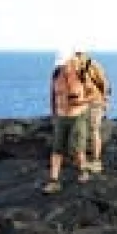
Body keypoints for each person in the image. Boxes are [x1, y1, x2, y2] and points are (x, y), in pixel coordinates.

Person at [44, 49, 94, 194]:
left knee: (77, 148)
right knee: (57, 149)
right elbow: (52, 96)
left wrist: (81, 100)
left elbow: (94, 95)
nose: (63, 66)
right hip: (61, 116)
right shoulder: (55, 75)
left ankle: (83, 170)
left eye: (65, 63)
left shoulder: (82, 75)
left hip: (77, 115)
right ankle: (54, 181)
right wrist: (54, 114)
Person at [77, 51, 110, 172]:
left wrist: (105, 101)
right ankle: (84, 160)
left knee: (94, 130)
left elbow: (104, 83)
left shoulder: (93, 65)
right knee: (82, 131)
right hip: (82, 103)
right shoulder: (75, 65)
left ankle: (96, 160)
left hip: (95, 102)